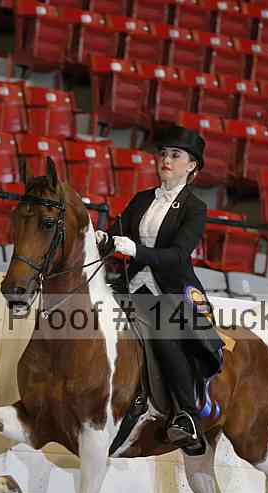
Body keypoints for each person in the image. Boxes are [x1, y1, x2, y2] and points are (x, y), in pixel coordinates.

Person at [96, 126, 224, 453]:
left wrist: (135, 250)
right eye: (163, 154)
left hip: (170, 291)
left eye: (175, 155)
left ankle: (186, 414)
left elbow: (178, 256)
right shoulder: (142, 199)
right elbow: (117, 233)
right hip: (130, 287)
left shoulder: (195, 208)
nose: (166, 160)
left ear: (191, 166)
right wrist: (102, 238)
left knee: (164, 334)